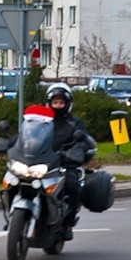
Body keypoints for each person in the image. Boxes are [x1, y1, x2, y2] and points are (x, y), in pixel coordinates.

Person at [45, 82, 92, 240]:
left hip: (64, 163)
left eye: (61, 102)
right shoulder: (41, 121)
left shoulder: (75, 123)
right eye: (55, 102)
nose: (58, 106)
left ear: (67, 104)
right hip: (41, 162)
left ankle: (68, 223)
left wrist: (75, 151)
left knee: (72, 185)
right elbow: (25, 136)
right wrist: (11, 144)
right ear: (49, 103)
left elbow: (83, 140)